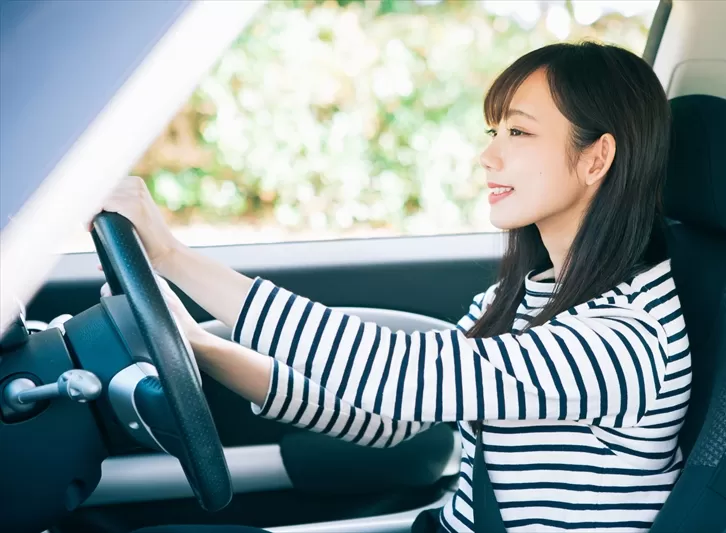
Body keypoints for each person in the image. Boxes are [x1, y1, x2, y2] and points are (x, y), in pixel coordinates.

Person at [102, 41, 691, 533]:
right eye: (493, 131)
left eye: (518, 132)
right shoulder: (524, 299)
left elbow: (398, 374)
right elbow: (380, 415)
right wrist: (198, 347)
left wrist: (172, 255)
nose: (487, 155)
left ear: (597, 158)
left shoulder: (624, 339)